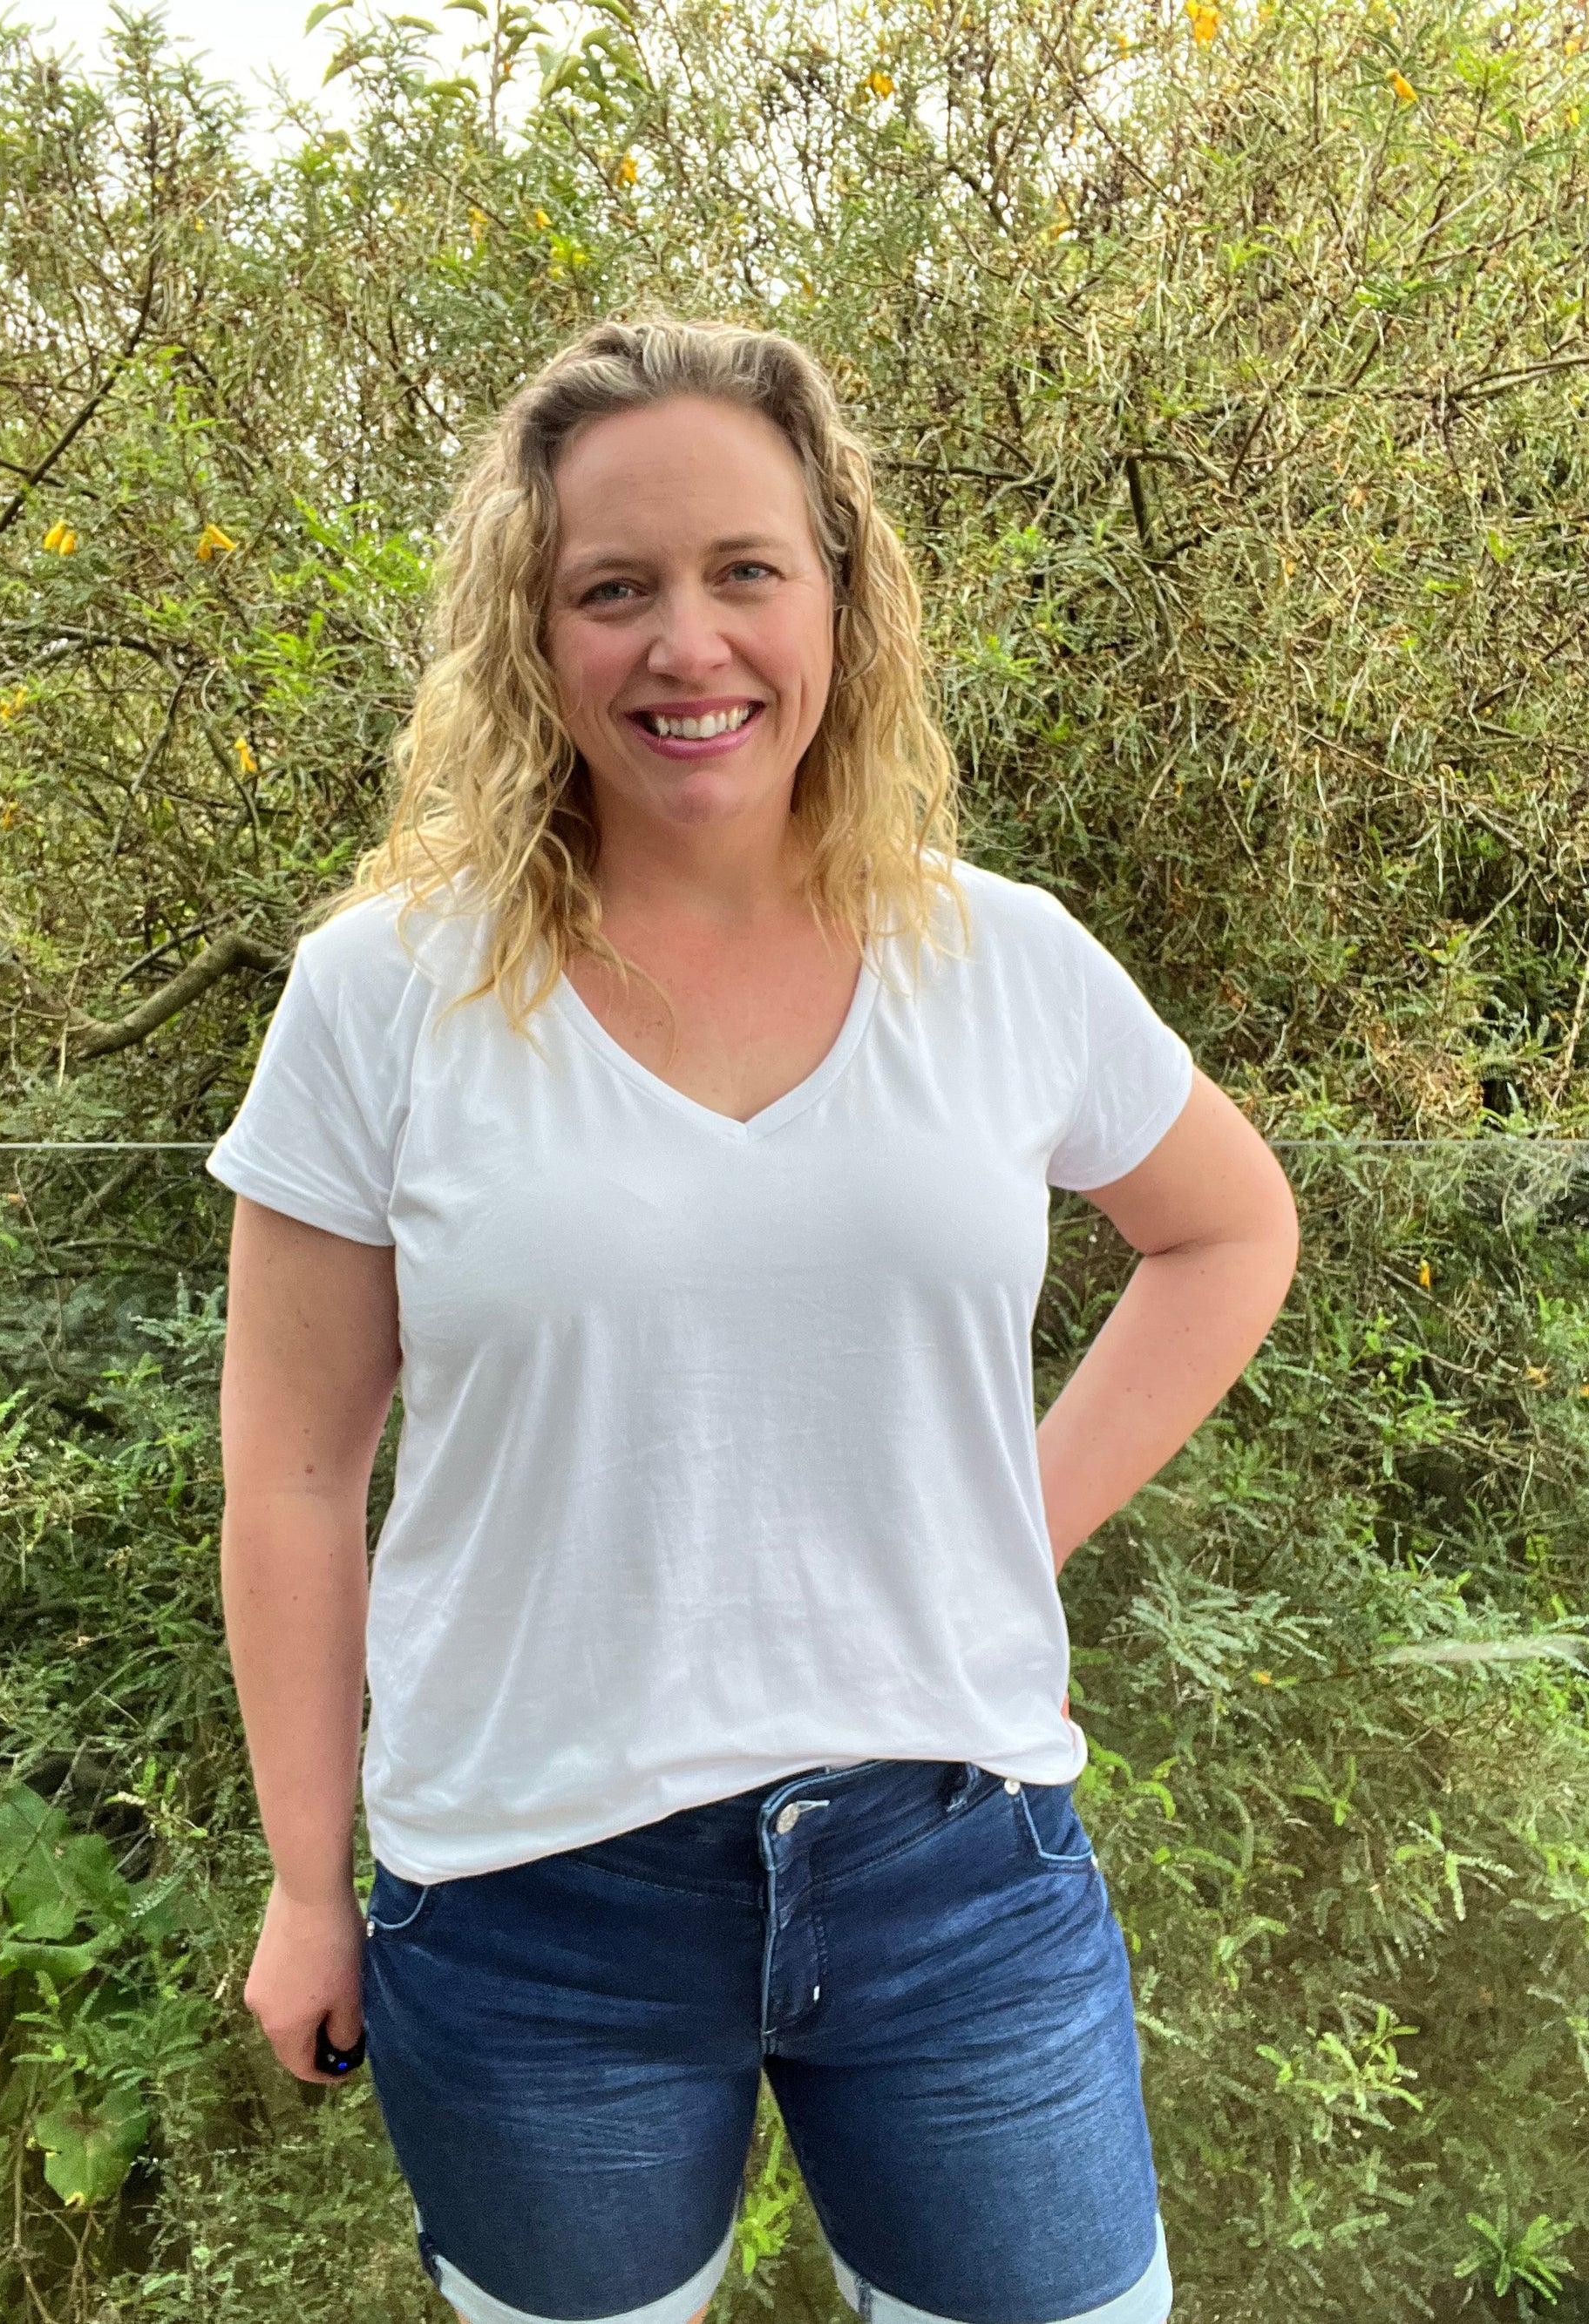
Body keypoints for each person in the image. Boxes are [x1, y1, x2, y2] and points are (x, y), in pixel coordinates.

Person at [210, 311, 1300, 2324]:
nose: (685, 642)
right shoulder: (382, 993)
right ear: (531, 632)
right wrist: (301, 1878)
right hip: (529, 1894)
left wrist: (1010, 1523)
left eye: (743, 570)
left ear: (839, 597)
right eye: (611, 587)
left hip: (956, 1866)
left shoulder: (1003, 960)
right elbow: (290, 1471)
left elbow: (1227, 1229)